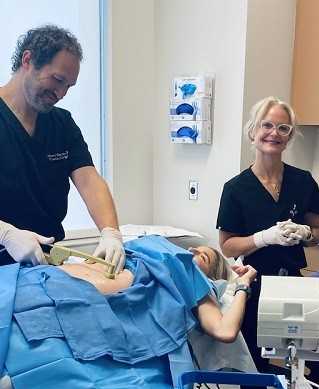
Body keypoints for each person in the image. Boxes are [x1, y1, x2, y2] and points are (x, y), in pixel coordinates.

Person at [216, 96, 319, 389]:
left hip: (293, 288)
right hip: (254, 288)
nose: (273, 133)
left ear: (289, 136)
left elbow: (318, 232)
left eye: (282, 127)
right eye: (266, 125)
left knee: (309, 362)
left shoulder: (303, 182)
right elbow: (227, 245)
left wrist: (304, 233)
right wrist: (264, 238)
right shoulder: (236, 188)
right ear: (253, 131)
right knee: (256, 370)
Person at [0, 25, 125, 271]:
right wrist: (5, 234)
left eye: (68, 86)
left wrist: (111, 233)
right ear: (28, 60)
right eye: (57, 80)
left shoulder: (61, 123)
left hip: (46, 263)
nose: (60, 93)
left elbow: (89, 180)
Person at [56, 243, 255, 343]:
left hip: (76, 287)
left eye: (203, 257)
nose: (192, 251)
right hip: (63, 273)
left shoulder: (197, 279)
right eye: (192, 249)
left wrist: (242, 285)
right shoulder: (163, 251)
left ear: (209, 276)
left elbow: (225, 331)